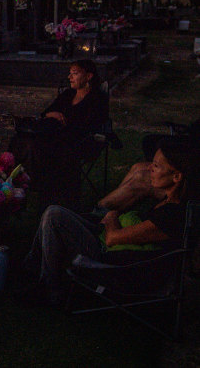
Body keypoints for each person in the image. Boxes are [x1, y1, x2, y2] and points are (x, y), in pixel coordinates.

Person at [23, 137, 197, 307]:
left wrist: (112, 217)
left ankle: (50, 289)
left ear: (177, 177)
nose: (150, 167)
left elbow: (112, 238)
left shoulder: (172, 215)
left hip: (116, 266)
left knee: (54, 216)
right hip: (117, 252)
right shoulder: (171, 201)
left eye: (157, 166)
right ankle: (32, 268)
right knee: (55, 213)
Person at [10, 59, 109, 211]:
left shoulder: (96, 98)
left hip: (77, 141)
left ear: (89, 76)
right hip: (53, 135)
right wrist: (53, 114)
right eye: (70, 74)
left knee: (37, 146)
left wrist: (65, 124)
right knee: (21, 140)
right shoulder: (68, 94)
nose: (70, 77)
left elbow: (90, 125)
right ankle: (20, 185)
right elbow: (46, 113)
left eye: (74, 74)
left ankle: (36, 186)